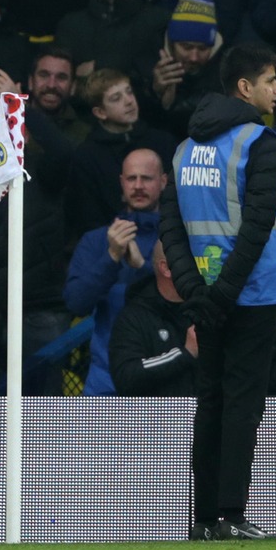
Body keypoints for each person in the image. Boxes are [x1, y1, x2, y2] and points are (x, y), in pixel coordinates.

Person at [159, 44, 276, 541]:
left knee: (211, 403)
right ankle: (232, 517)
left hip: (205, 296)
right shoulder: (263, 144)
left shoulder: (184, 149)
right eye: (270, 79)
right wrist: (221, 295)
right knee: (242, 405)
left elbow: (171, 228)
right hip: (253, 295)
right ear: (245, 88)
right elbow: (257, 227)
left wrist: (197, 291)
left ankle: (201, 521)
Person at [62, 148, 164, 397]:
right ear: (121, 182)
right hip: (106, 380)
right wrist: (112, 258)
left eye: (147, 178)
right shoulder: (96, 240)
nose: (138, 186)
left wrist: (142, 266)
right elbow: (75, 302)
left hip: (164, 376)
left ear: (163, 182)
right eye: (131, 178)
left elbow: (186, 299)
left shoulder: (177, 239)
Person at [108, 240, 198, 398]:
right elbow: (126, 376)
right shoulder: (134, 317)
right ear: (166, 268)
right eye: (193, 259)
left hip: (209, 418)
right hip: (154, 418)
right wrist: (186, 353)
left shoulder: (209, 309)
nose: (202, 266)